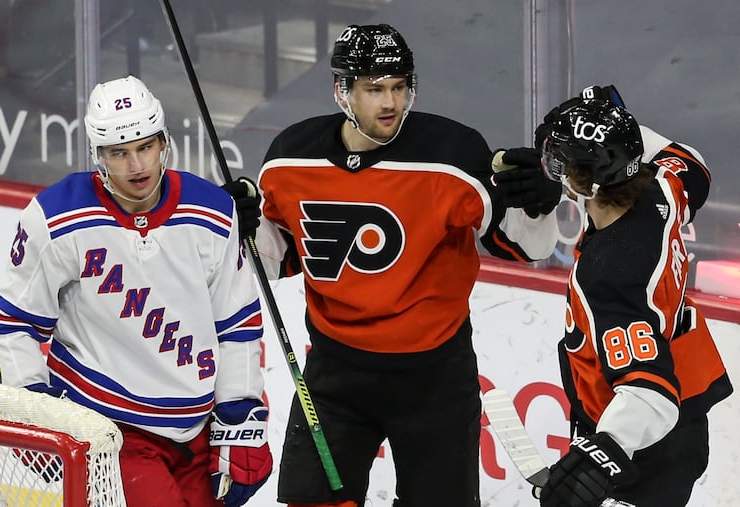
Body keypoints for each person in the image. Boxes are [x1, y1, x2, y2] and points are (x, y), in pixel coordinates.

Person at [227, 23, 561, 507]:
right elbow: (277, 261)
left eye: (400, 87)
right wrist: (242, 226)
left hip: (434, 380)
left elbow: (523, 248)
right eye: (375, 89)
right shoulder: (289, 158)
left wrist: (540, 204)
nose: (391, 104)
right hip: (334, 377)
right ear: (342, 91)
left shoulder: (451, 154)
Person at [0, 75, 272, 507]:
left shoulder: (212, 211)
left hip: (197, 426)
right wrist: (37, 407)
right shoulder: (57, 217)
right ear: (98, 156)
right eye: (119, 153)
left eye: (145, 147)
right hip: (107, 428)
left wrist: (239, 411)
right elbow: (12, 322)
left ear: (163, 144)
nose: (136, 166)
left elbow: (237, 322)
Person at [534, 87, 733, 507]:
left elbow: (649, 391)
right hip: (688, 416)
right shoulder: (661, 190)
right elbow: (690, 162)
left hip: (645, 444)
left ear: (582, 181)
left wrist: (601, 454)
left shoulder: (610, 275)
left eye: (562, 164)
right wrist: (610, 124)